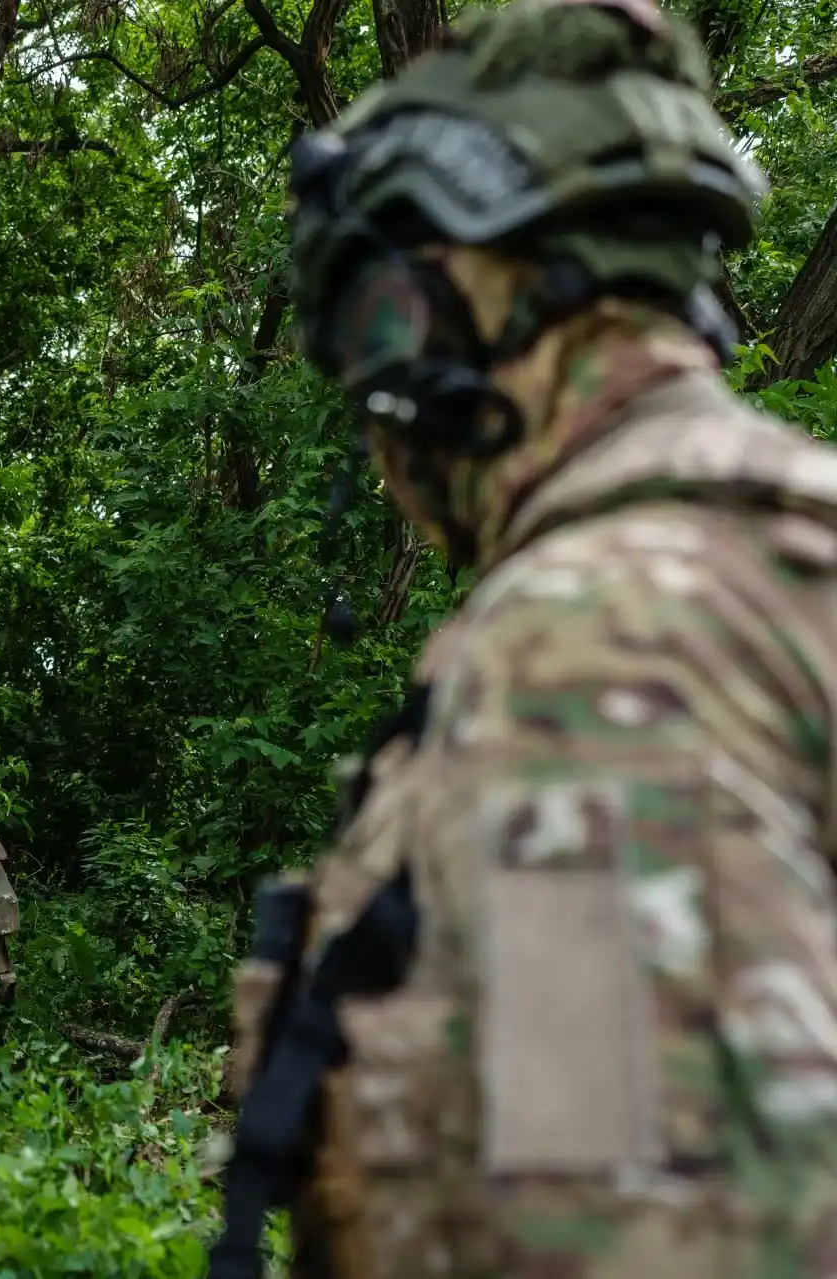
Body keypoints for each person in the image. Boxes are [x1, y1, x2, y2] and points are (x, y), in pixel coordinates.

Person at [215, 0, 837, 1274]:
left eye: (367, 325)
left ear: (461, 305)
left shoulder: (593, 657)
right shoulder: (782, 565)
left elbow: (627, 1240)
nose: (368, 404)